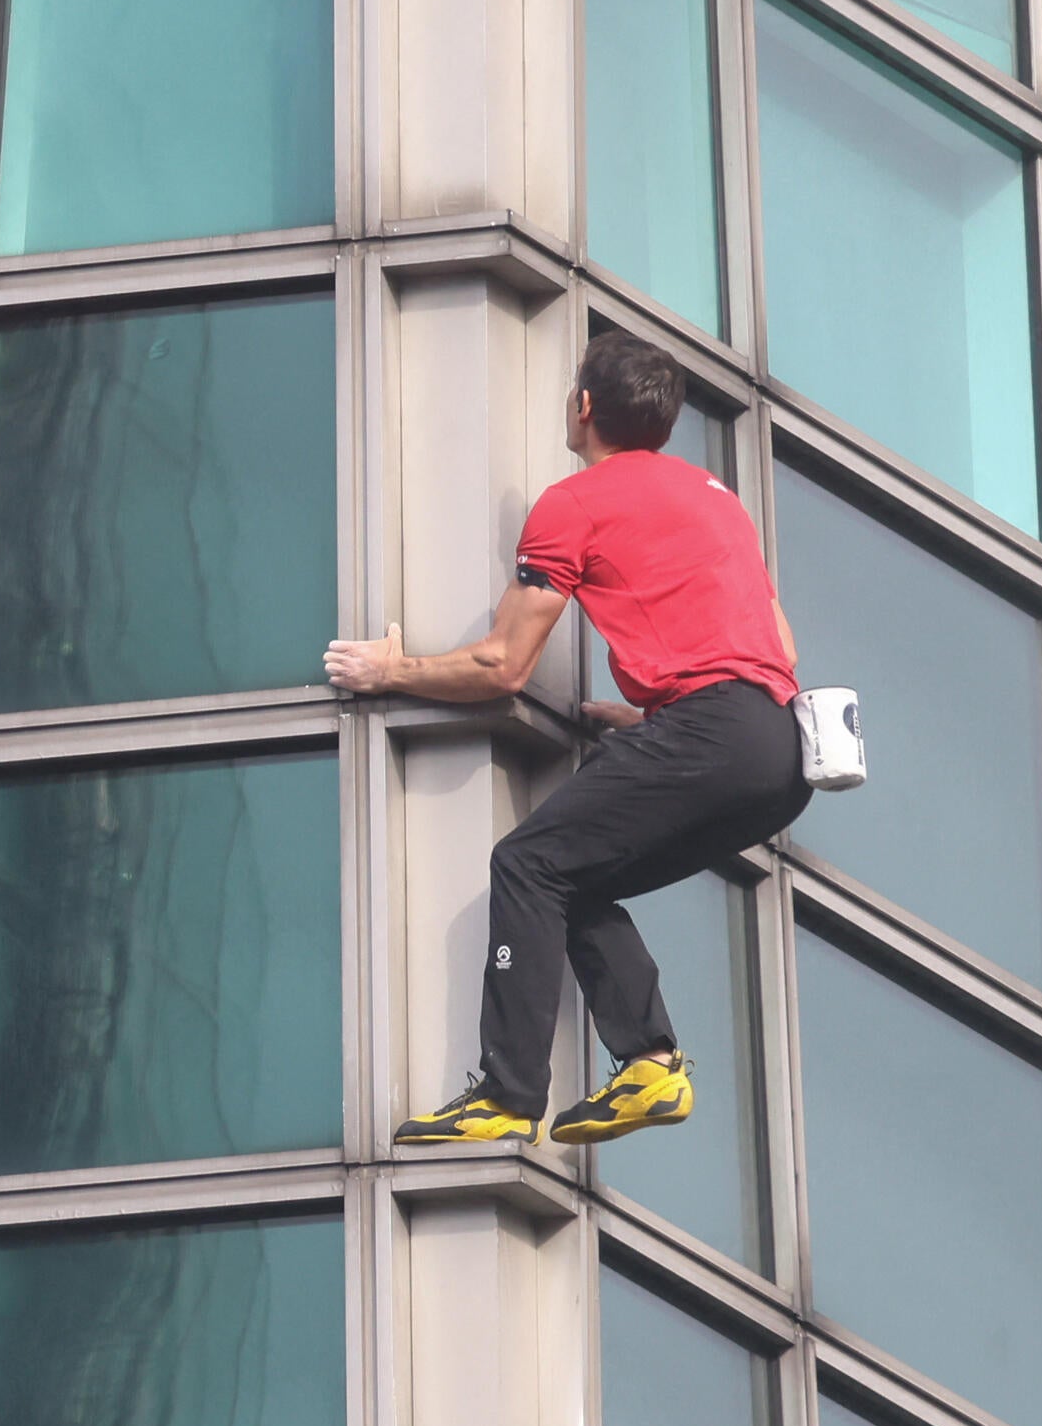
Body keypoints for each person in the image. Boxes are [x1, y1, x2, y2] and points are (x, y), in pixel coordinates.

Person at [324, 325, 806, 1147]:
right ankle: (649, 1064)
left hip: (712, 731)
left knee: (526, 863)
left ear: (582, 407)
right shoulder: (717, 500)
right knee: (570, 880)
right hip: (778, 752)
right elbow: (778, 648)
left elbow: (501, 666)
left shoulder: (573, 503)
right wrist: (661, 716)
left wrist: (390, 671)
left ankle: (506, 1095)